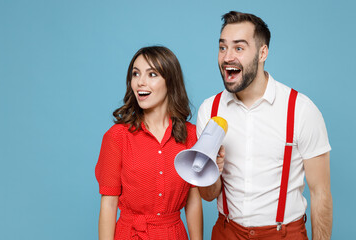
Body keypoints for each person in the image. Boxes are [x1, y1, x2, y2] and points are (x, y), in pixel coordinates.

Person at [197, 11, 332, 240]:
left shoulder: (300, 109)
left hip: (285, 234)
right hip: (227, 232)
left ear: (262, 52)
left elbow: (321, 194)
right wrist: (212, 171)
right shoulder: (210, 111)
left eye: (239, 48)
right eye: (222, 48)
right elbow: (209, 195)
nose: (227, 56)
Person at [95, 46, 203, 240]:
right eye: (135, 74)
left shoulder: (191, 135)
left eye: (152, 74)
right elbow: (108, 205)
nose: (140, 82)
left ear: (170, 82)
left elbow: (193, 201)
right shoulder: (117, 137)